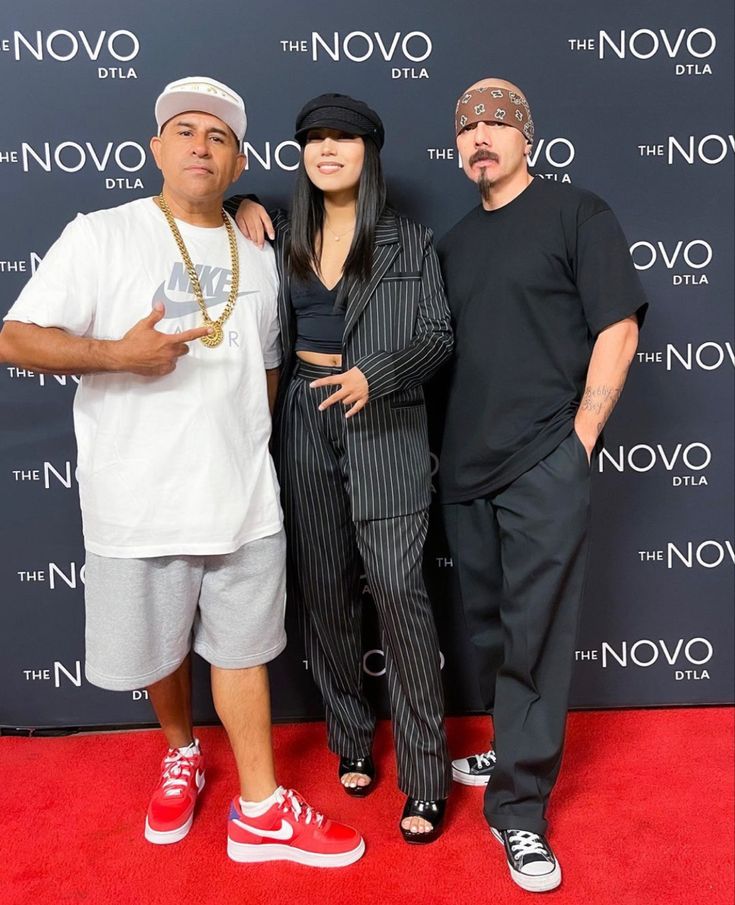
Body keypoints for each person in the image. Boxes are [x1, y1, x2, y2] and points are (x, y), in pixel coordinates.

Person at [0, 76, 364, 868]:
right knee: (160, 649)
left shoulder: (259, 251)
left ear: (238, 163)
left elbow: (266, 369)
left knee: (242, 653)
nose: (201, 146)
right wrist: (115, 355)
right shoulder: (100, 234)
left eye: (219, 137)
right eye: (186, 131)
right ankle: (179, 749)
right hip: (138, 498)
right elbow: (14, 336)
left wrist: (243, 448)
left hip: (242, 499)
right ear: (157, 147)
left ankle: (261, 808)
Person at [438, 79, 647, 891]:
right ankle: (508, 732)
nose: (479, 136)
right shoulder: (451, 244)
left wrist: (580, 440)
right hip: (463, 470)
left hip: (542, 464)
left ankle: (517, 811)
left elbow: (617, 325)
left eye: (496, 123)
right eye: (466, 127)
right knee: (489, 630)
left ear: (526, 136)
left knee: (535, 637)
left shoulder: (576, 213)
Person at [229, 93, 453, 842]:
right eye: (314, 139)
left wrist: (376, 373)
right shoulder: (276, 233)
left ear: (368, 153)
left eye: (344, 138)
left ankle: (425, 774)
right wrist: (239, 199)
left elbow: (436, 336)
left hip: (384, 421)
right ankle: (350, 738)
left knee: (397, 589)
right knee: (323, 586)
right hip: (303, 418)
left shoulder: (408, 239)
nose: (328, 149)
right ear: (299, 154)